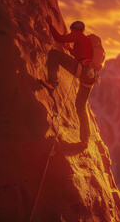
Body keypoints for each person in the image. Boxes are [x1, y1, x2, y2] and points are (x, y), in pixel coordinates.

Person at [41, 16, 96, 148]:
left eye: (72, 31)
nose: (71, 33)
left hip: (81, 70)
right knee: (80, 106)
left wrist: (50, 24)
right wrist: (69, 49)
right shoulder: (86, 41)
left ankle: (52, 82)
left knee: (54, 54)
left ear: (75, 30)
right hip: (90, 75)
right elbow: (80, 56)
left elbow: (59, 38)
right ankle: (85, 139)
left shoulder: (78, 36)